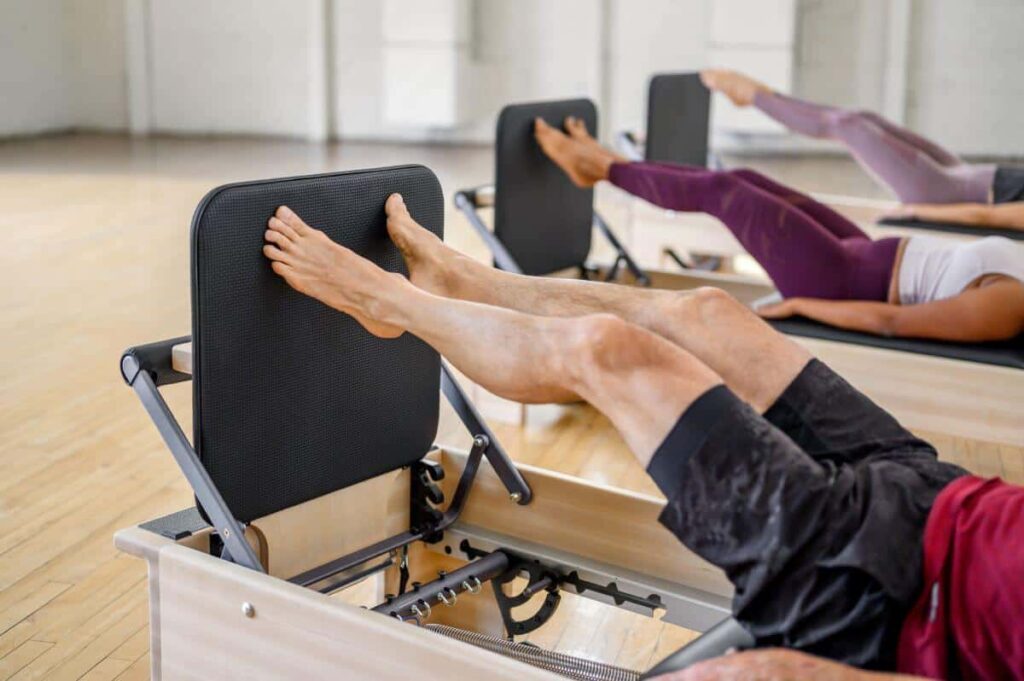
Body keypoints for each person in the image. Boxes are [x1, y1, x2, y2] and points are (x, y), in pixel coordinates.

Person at [261, 196, 1023, 680]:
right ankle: (466, 282)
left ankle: (387, 302)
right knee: (706, 313)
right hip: (936, 490)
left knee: (607, 351)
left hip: (877, 588)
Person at [531, 115, 1024, 343]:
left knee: (725, 191)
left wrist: (802, 307)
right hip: (864, 250)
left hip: (837, 281)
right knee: (744, 178)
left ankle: (597, 167)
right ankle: (606, 162)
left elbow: (891, 323)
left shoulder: (1010, 305)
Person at [700, 68, 1024, 231]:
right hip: (962, 172)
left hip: (939, 192)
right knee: (863, 118)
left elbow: (988, 217)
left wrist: (917, 213)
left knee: (848, 126)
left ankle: (753, 96)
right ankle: (764, 95)